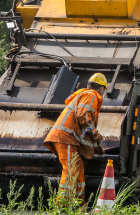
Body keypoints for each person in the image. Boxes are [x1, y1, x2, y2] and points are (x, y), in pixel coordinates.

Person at [44, 73, 108, 204]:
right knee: (71, 169)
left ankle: (78, 204)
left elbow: (84, 128)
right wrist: (95, 133)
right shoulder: (91, 95)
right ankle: (62, 205)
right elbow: (83, 116)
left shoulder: (83, 95)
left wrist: (97, 147)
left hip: (68, 139)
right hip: (65, 137)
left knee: (77, 169)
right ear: (101, 89)